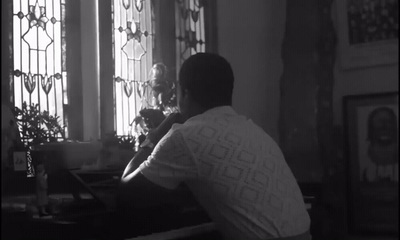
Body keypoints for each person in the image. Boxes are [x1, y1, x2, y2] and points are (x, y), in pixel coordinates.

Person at [121, 53, 311, 240]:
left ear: (185, 93)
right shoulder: (252, 129)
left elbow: (127, 188)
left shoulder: (185, 135)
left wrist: (155, 136)